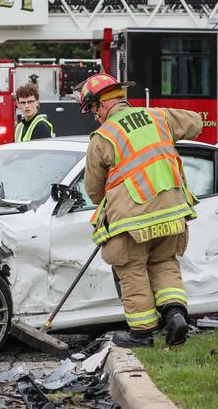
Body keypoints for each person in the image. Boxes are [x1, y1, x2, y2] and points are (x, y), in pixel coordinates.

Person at [79, 73, 202, 348]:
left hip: (132, 219)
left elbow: (94, 190)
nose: (95, 116)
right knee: (164, 263)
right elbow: (195, 122)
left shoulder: (102, 137)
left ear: (102, 104)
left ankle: (142, 335)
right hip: (171, 212)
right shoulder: (159, 117)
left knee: (132, 270)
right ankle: (175, 315)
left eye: (93, 109)